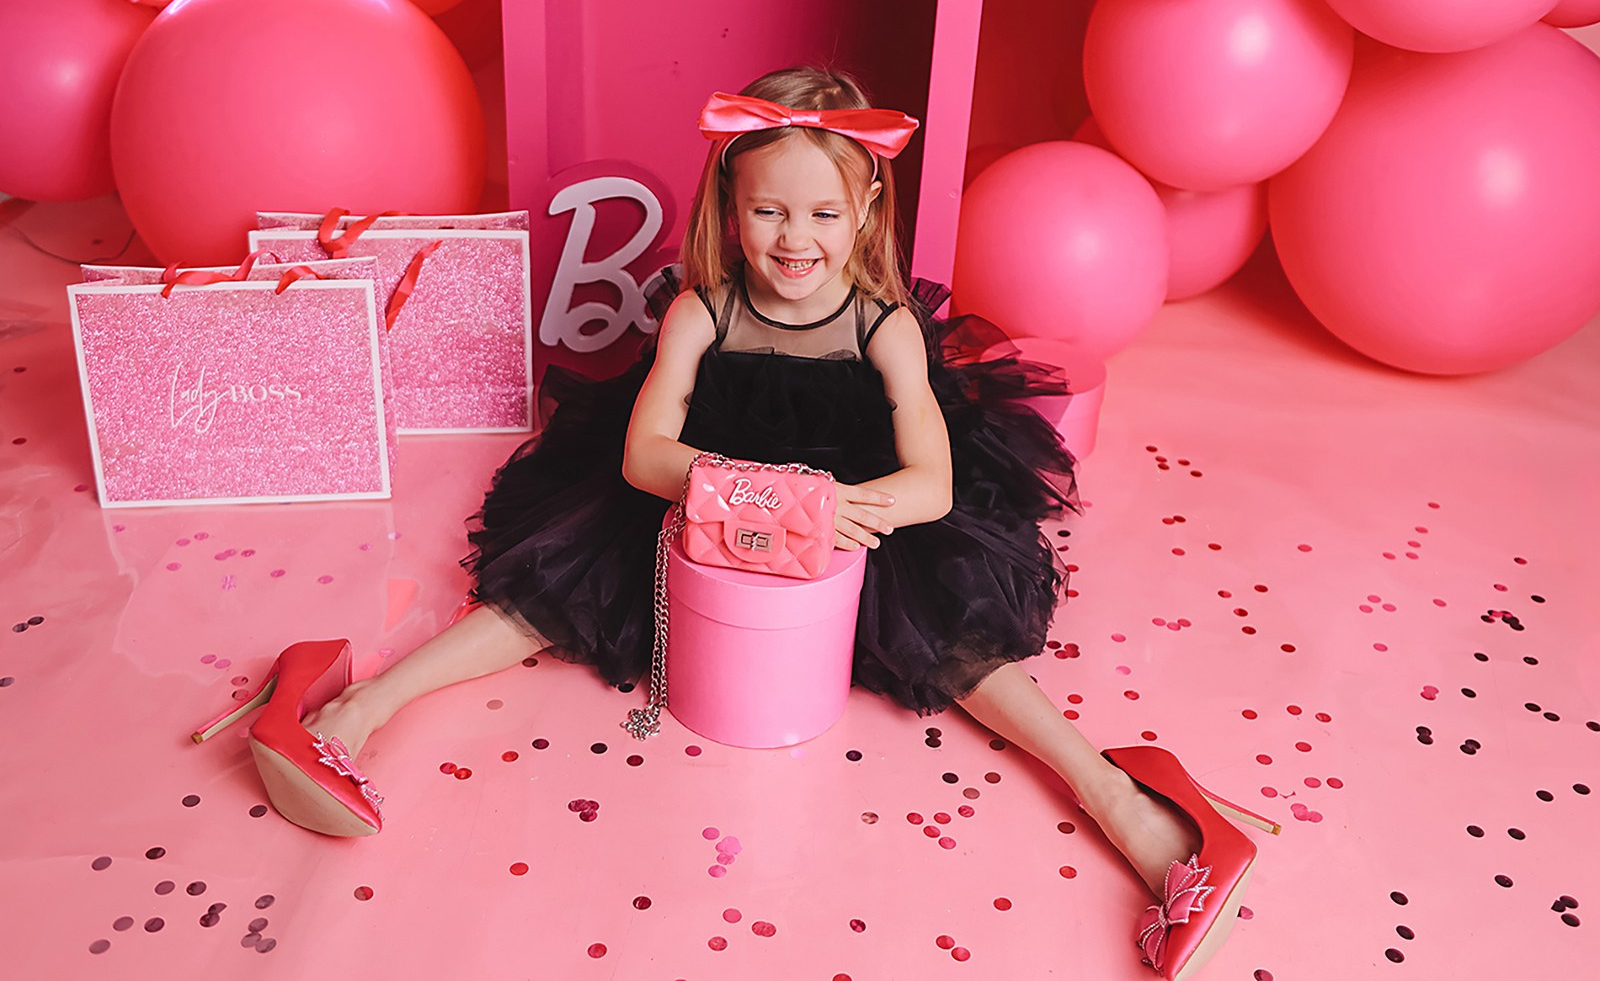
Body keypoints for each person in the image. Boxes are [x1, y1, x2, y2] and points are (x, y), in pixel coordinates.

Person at [192, 67, 1277, 979]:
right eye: (768, 211)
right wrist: (749, 490)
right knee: (565, 586)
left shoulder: (886, 326)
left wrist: (851, 506)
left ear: (865, 213)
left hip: (845, 499)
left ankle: (1136, 807)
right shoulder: (702, 310)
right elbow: (644, 454)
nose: (794, 239)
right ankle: (345, 709)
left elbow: (931, 484)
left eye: (822, 214)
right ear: (729, 207)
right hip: (707, 489)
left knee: (940, 630)